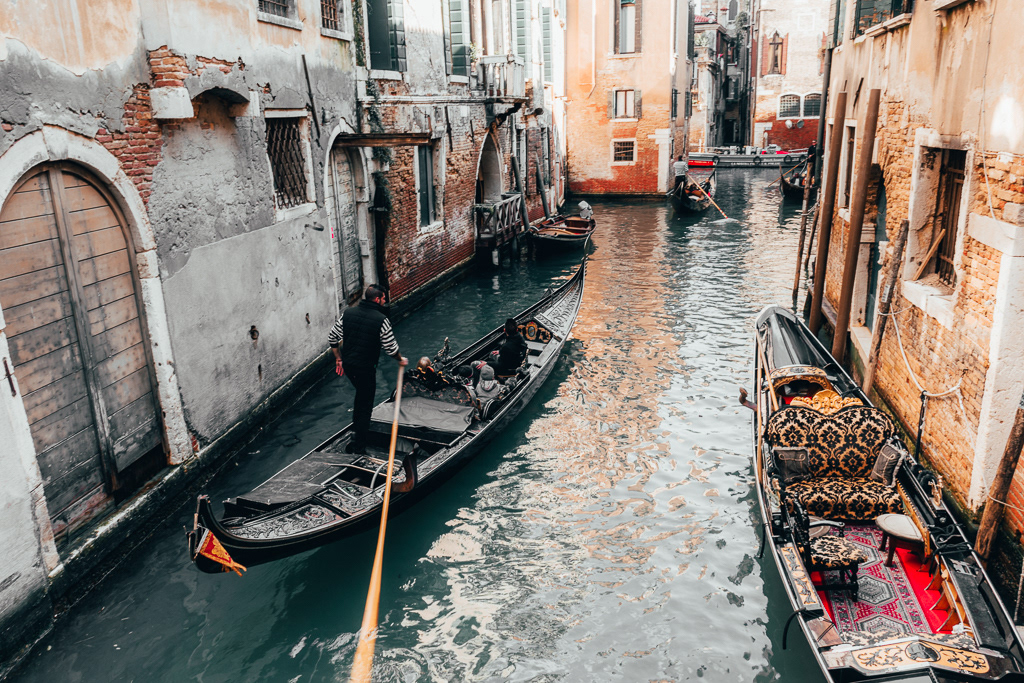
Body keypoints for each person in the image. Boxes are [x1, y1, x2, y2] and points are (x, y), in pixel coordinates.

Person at [328, 284, 408, 454]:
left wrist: (338, 359)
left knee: (361, 397)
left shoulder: (348, 313)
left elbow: (332, 337)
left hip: (349, 366)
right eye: (384, 298)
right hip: (365, 369)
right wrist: (400, 359)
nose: (385, 301)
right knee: (365, 405)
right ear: (377, 299)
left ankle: (356, 432)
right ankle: (359, 447)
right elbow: (391, 349)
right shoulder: (381, 320)